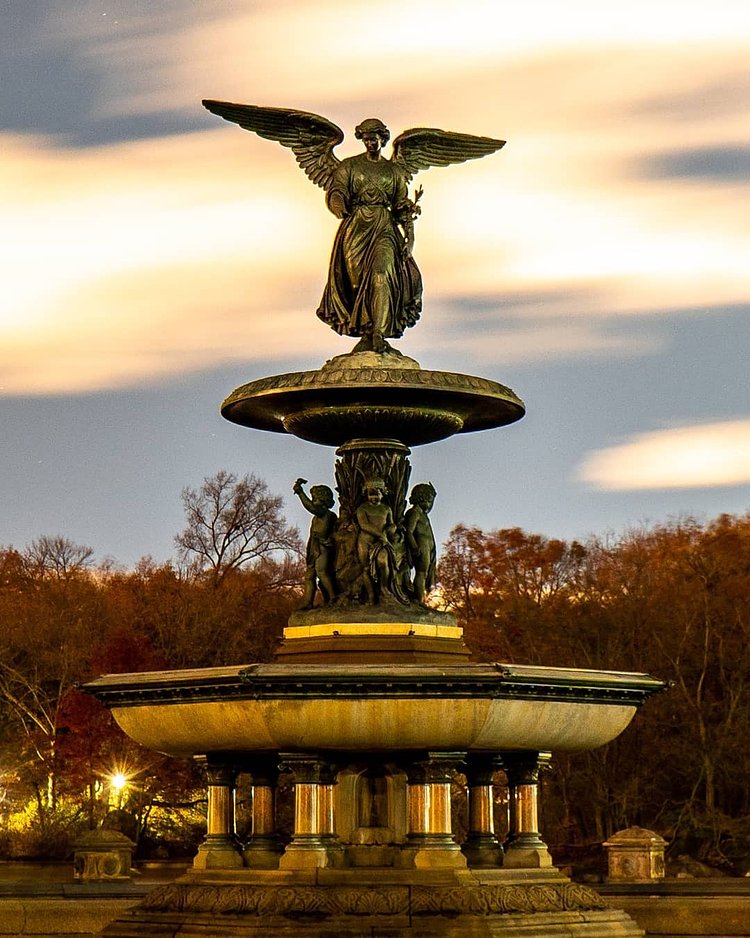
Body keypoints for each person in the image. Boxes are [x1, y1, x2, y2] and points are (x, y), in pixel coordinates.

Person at [317, 118, 422, 352]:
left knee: (381, 274)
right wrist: (337, 202)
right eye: (366, 139)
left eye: (374, 139)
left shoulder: (393, 171)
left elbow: (401, 205)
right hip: (356, 228)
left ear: (382, 140)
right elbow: (337, 189)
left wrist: (410, 238)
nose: (370, 143)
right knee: (356, 283)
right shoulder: (349, 166)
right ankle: (365, 329)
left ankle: (378, 332)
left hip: (384, 228)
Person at [293, 479, 338, 608]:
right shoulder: (316, 517)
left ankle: (333, 598)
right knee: (309, 575)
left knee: (321, 571)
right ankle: (308, 602)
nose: (313, 501)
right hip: (313, 546)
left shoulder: (327, 514)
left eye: (315, 498)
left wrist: (301, 492)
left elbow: (311, 508)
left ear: (323, 501)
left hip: (323, 547)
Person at [355, 478, 399, 604]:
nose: (373, 497)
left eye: (376, 494)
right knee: (366, 568)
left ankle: (384, 588)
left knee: (383, 562)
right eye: (370, 494)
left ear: (382, 493)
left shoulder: (386, 509)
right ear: (366, 494)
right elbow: (364, 525)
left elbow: (392, 524)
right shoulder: (362, 509)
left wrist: (388, 531)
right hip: (365, 542)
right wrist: (381, 534)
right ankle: (371, 596)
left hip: (382, 543)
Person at [404, 482, 437, 605]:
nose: (430, 504)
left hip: (428, 546)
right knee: (421, 572)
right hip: (421, 545)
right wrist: (414, 546)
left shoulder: (423, 514)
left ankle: (420, 598)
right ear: (421, 497)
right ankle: (418, 600)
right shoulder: (414, 513)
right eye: (429, 500)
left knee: (426, 573)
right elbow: (409, 531)